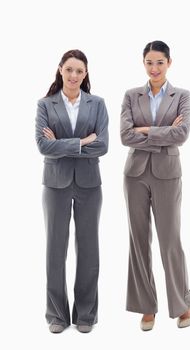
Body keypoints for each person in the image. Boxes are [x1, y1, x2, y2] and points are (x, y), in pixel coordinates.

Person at [120, 40, 190, 331]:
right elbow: (125, 136)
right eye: (149, 62)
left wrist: (146, 130)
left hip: (167, 174)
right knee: (138, 241)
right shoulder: (130, 95)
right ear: (143, 63)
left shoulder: (182, 95)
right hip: (135, 174)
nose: (154, 68)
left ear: (169, 63)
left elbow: (182, 133)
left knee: (170, 240)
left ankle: (182, 303)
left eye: (159, 62)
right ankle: (146, 306)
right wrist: (163, 133)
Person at [35, 49, 109, 333]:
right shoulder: (45, 105)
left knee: (89, 250)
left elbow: (103, 145)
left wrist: (63, 144)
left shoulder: (98, 104)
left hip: (90, 184)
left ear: (86, 73)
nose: (74, 76)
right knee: (55, 249)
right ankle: (56, 314)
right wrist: (82, 143)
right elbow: (43, 146)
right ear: (60, 70)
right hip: (55, 184)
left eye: (79, 71)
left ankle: (86, 314)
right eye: (69, 70)